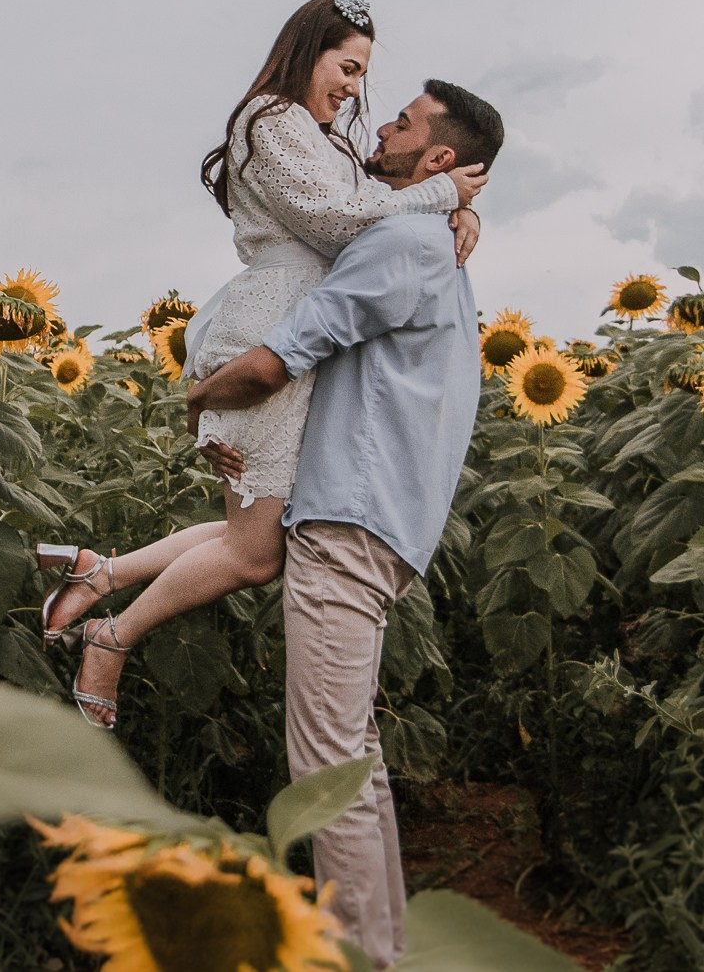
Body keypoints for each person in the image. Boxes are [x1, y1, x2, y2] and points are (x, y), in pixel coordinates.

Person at [35, 0, 487, 728]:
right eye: (346, 66)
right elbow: (338, 219)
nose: (353, 87)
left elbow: (379, 201)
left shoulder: (322, 136)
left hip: (298, 330)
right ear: (308, 52)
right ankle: (110, 638)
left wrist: (457, 209)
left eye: (362, 73)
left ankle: (101, 573)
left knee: (257, 532)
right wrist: (443, 191)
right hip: (270, 328)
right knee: (254, 553)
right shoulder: (269, 120)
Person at [184, 78, 504, 967]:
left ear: (437, 158)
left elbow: (280, 358)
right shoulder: (426, 236)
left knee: (326, 770)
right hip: (379, 522)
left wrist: (197, 399)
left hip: (350, 523)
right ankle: (382, 950)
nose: (383, 126)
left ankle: (360, 957)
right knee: (351, 756)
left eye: (402, 122)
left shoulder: (402, 238)